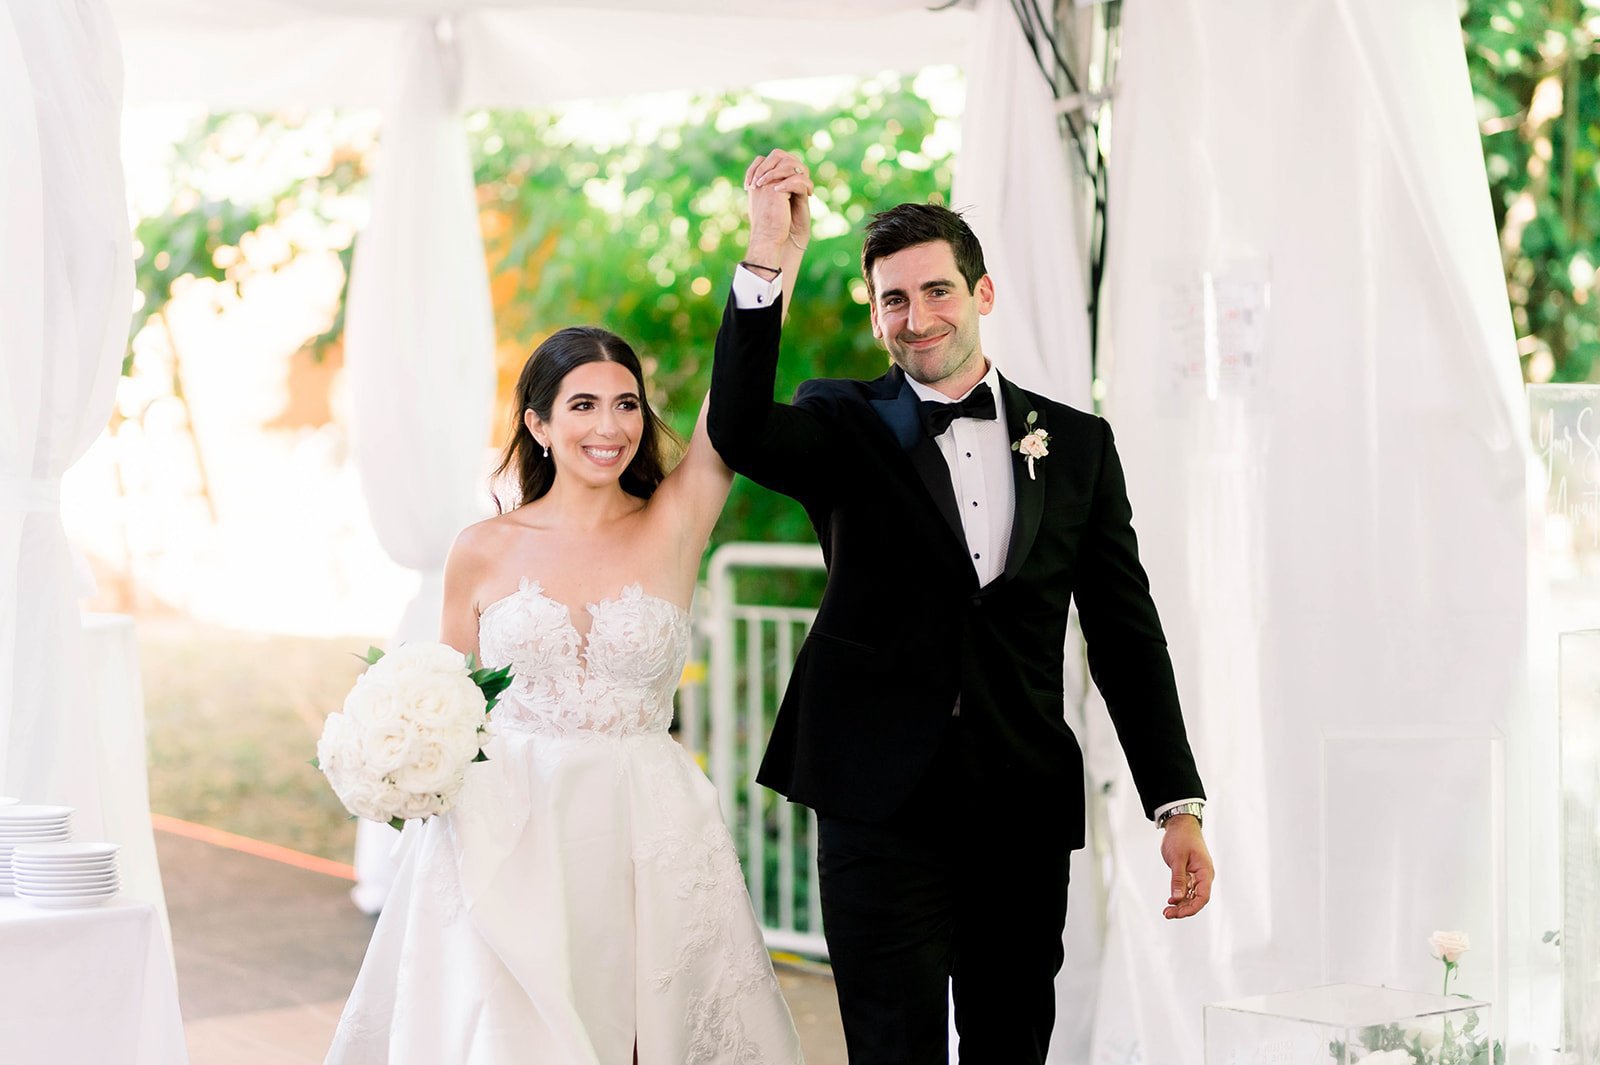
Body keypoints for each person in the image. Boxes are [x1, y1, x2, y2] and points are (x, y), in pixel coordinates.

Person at [707, 149, 1215, 1064]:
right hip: (874, 799)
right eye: (893, 300)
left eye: (936, 290)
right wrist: (766, 255)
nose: (916, 316)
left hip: (1019, 799)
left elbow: (1127, 634)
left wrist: (1175, 802)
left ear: (982, 294)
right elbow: (738, 428)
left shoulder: (1082, 447)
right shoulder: (840, 422)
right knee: (891, 1047)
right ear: (874, 314)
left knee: (1012, 1041)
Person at [325, 171, 815, 1064]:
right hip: (506, 834)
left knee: (640, 1038)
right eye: (583, 405)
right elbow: (448, 702)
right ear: (539, 423)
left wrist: (767, 258)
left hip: (643, 829)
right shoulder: (481, 548)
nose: (610, 425)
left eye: (625, 403)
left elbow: (732, 402)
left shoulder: (675, 520)